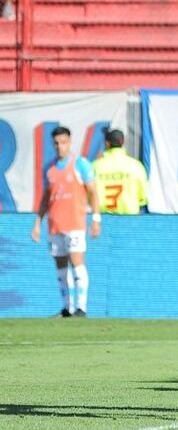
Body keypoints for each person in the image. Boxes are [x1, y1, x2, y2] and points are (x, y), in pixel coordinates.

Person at [31, 126, 101, 318]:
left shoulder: (80, 164)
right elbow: (46, 198)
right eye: (56, 143)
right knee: (61, 267)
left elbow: (93, 192)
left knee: (77, 263)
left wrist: (95, 218)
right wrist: (38, 221)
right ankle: (67, 308)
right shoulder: (50, 169)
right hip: (55, 224)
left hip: (75, 223)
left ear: (69, 142)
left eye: (63, 142)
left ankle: (82, 307)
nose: (59, 146)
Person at [92, 128, 148, 215]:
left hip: (103, 218)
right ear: (123, 142)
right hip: (129, 218)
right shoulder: (136, 166)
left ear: (107, 143)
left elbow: (87, 194)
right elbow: (143, 197)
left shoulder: (95, 166)